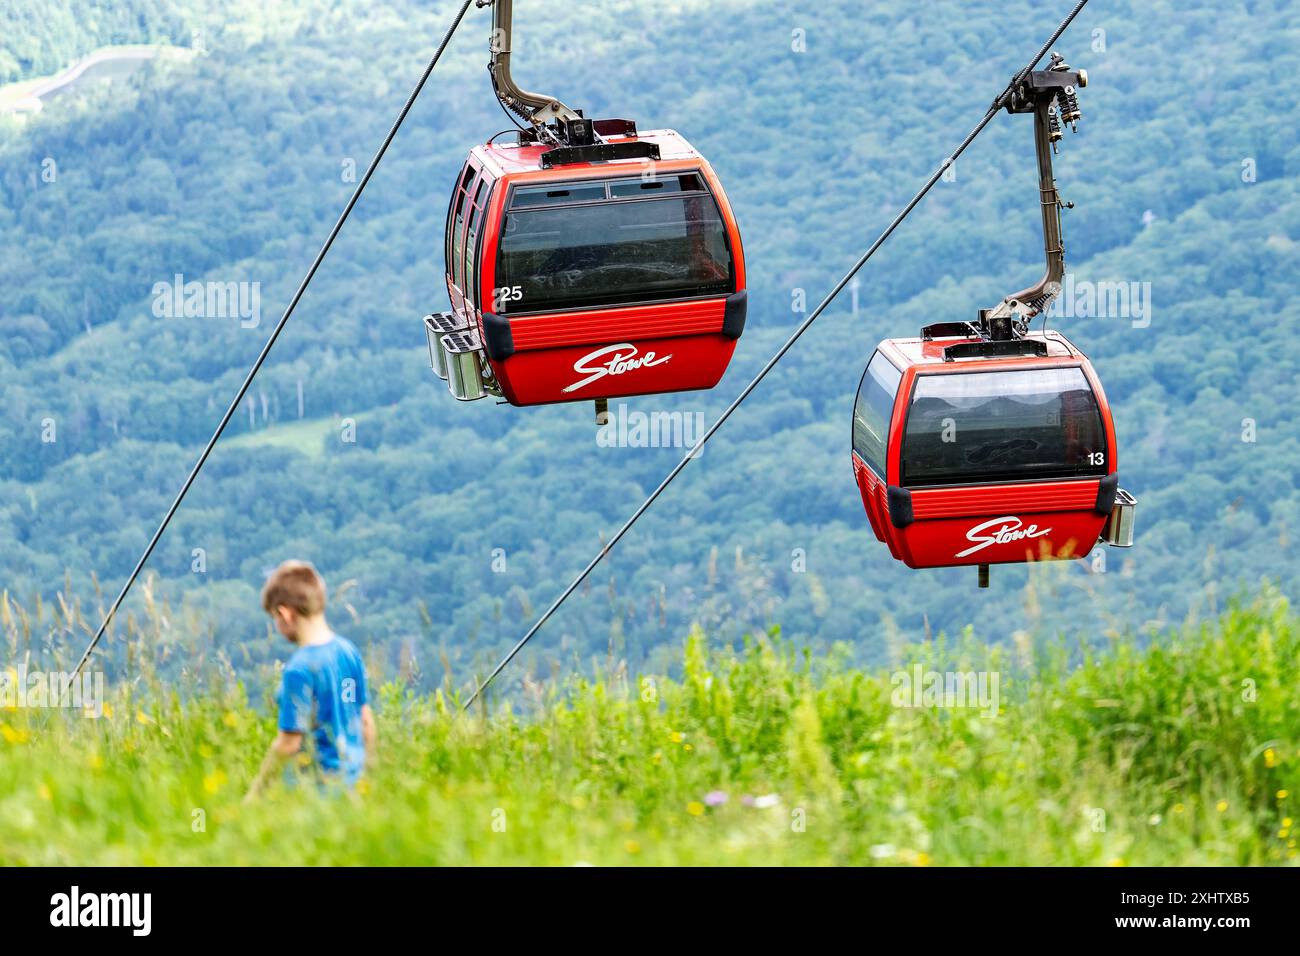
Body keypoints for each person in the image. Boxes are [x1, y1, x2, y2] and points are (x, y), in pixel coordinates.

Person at [245, 561, 375, 799]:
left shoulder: (299, 670)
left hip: (317, 793)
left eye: (275, 617)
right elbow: (365, 722)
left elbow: (289, 744)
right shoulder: (348, 651)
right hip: (353, 788)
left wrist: (255, 794)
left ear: (285, 613)